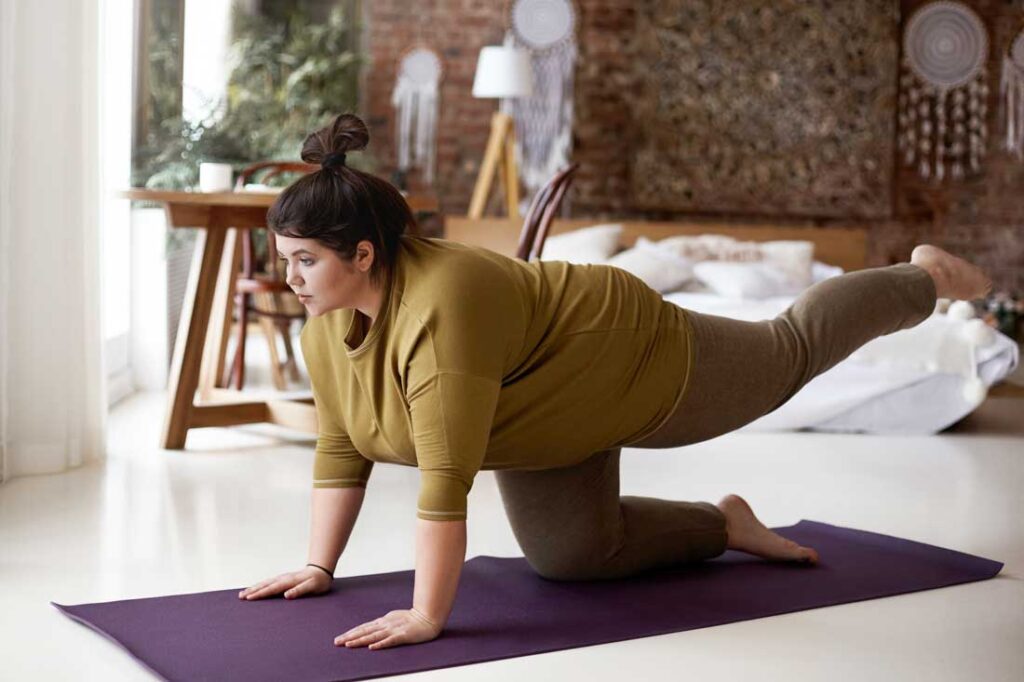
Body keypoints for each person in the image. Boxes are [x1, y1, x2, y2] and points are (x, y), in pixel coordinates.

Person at [237, 113, 992, 651]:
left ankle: (920, 278)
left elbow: (445, 481)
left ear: (364, 255)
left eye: (305, 259)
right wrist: (318, 566)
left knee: (786, 353)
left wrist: (428, 616)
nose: (289, 275)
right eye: (286, 257)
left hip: (625, 355)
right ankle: (723, 523)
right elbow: (341, 449)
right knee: (573, 558)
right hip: (544, 413)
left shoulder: (445, 305)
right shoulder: (325, 329)